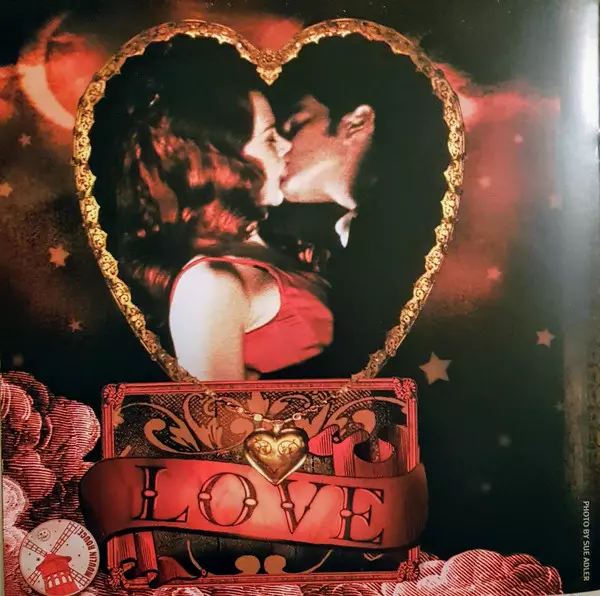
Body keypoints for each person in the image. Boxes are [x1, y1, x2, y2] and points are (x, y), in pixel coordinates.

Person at [89, 35, 333, 381]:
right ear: (220, 166)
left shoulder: (282, 242)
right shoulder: (208, 284)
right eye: (268, 137)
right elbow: (216, 413)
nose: (285, 145)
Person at [262, 34, 450, 375]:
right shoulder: (362, 230)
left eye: (295, 125)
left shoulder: (413, 227)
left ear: (357, 123)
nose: (281, 147)